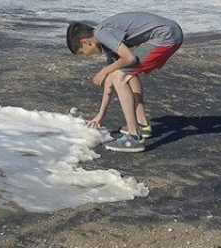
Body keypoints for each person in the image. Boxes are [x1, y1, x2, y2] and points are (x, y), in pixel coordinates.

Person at [66, 12, 184, 153]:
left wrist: (103, 71)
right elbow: (110, 83)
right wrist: (100, 114)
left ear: (85, 42)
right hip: (170, 33)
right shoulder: (107, 43)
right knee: (127, 75)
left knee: (120, 76)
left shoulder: (102, 34)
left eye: (82, 52)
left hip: (166, 36)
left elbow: (129, 59)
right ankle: (142, 125)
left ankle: (134, 137)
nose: (86, 55)